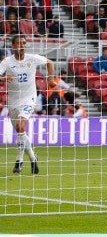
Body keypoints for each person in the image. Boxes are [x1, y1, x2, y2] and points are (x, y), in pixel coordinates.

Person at [0, 35, 56, 174]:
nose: (22, 45)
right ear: (13, 46)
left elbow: (50, 62)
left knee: (20, 125)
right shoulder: (7, 62)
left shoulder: (32, 58)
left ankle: (19, 161)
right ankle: (32, 157)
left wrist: (51, 79)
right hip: (12, 100)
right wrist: (3, 78)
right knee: (20, 131)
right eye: (19, 43)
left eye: (24, 43)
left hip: (29, 98)